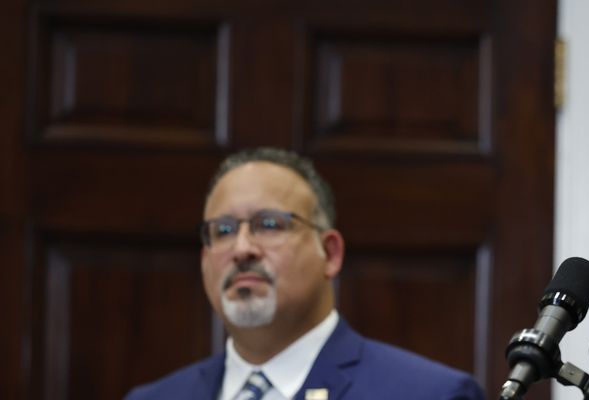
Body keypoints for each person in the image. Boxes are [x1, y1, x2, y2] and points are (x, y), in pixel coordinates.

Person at [127, 148, 485, 400]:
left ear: (329, 253)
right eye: (222, 230)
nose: (241, 248)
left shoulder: (428, 394)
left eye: (268, 225)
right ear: (204, 258)